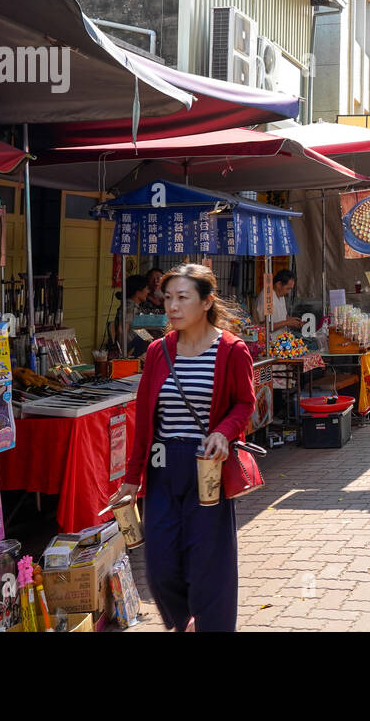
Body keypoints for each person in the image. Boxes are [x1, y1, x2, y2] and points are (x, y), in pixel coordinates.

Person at [109, 263, 257, 631]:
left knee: (210, 564)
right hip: (162, 470)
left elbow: (244, 402)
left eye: (182, 298)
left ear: (206, 302)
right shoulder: (159, 351)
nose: (171, 306)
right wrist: (132, 478)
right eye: (168, 298)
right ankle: (184, 621)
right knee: (160, 566)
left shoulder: (231, 350)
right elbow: (145, 418)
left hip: (207, 468)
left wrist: (224, 431)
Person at [110, 276, 151, 356]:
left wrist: (151, 341)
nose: (148, 292)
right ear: (138, 291)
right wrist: (124, 354)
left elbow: (138, 329)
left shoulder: (134, 307)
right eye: (146, 288)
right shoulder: (130, 308)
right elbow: (122, 329)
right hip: (130, 351)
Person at [255, 269, 302, 333]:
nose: (289, 292)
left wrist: (293, 322)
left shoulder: (281, 295)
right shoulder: (266, 297)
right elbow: (263, 326)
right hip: (270, 341)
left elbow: (283, 316)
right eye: (288, 288)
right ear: (278, 284)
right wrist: (286, 322)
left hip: (281, 338)